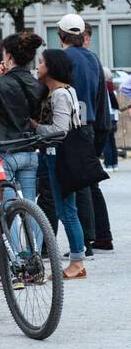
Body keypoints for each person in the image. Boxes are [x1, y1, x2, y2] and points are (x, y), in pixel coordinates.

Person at [0, 32, 46, 262]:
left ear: (9, 55)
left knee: (8, 209)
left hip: (4, 153)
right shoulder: (37, 85)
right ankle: (35, 259)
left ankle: (16, 263)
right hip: (29, 152)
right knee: (31, 207)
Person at [58, 15, 112, 253]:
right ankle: (102, 236)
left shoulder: (64, 59)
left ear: (61, 35)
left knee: (79, 183)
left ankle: (86, 239)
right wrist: (102, 129)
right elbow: (101, 98)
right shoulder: (93, 58)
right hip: (93, 124)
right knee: (90, 182)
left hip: (73, 125)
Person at [33, 48, 88, 280]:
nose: (38, 65)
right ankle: (76, 260)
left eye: (42, 62)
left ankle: (77, 262)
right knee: (65, 209)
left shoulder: (60, 95)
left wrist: (35, 127)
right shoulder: (60, 91)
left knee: (67, 211)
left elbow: (60, 130)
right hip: (57, 155)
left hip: (60, 155)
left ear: (51, 67)